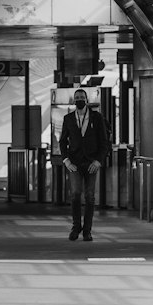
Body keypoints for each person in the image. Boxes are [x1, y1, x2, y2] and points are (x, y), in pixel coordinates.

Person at [58, 87, 109, 243]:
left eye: (82, 97)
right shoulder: (68, 119)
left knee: (89, 196)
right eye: (77, 97)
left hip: (91, 162)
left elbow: (104, 142)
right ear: (74, 100)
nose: (79, 99)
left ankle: (87, 231)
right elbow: (62, 141)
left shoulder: (96, 117)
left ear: (86, 100)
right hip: (74, 163)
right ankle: (76, 227)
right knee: (75, 195)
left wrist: (98, 161)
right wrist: (66, 160)